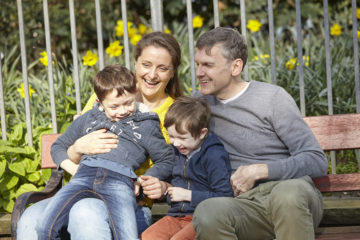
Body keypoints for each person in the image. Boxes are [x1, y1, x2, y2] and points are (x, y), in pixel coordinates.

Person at [141, 27, 329, 240]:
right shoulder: (198, 106)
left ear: (235, 66)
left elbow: (316, 160)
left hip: (289, 194)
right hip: (242, 206)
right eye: (198, 64)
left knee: (287, 196)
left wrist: (259, 171)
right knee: (208, 212)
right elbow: (179, 153)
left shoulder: (272, 98)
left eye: (208, 65)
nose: (199, 72)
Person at [16, 31, 183, 239]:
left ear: (173, 72)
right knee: (30, 219)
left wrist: (147, 181)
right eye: (146, 65)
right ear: (136, 63)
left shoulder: (174, 113)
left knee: (85, 212)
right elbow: (68, 144)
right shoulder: (104, 96)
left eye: (162, 68)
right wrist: (78, 149)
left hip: (129, 202)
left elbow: (173, 164)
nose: (152, 75)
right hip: (80, 185)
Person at [141, 96, 233, 240]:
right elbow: (173, 186)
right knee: (149, 236)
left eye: (183, 138)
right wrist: (164, 188)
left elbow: (224, 196)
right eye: (171, 136)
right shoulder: (176, 152)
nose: (176, 143)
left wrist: (188, 195)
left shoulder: (213, 155)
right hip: (176, 216)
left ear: (202, 133)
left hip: (203, 217)